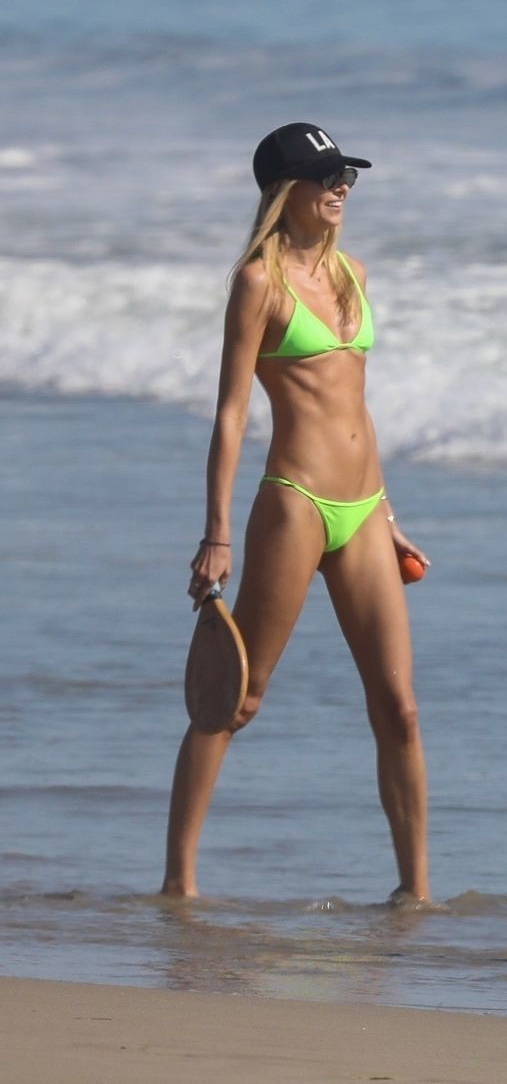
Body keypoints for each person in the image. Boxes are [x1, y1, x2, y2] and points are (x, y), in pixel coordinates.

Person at [162, 123, 430, 903]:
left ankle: (415, 894)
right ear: (287, 191)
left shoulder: (353, 273)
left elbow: (357, 406)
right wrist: (216, 533)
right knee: (237, 697)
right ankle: (179, 883)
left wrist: (388, 513)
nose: (342, 187)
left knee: (400, 708)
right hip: (295, 503)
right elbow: (230, 415)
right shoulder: (259, 284)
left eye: (347, 175)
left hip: (364, 509)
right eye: (327, 176)